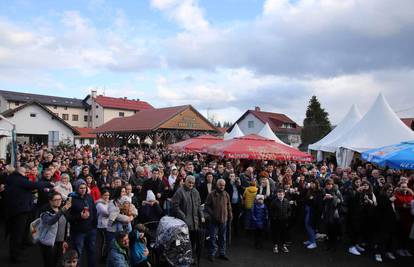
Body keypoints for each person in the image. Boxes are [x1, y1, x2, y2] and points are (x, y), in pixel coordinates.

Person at [4, 166, 53, 263]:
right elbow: (35, 185)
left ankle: (17, 252)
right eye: (25, 172)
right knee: (17, 234)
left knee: (17, 233)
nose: (27, 173)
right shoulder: (20, 180)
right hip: (20, 211)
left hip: (15, 210)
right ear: (20, 172)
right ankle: (15, 256)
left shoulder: (12, 179)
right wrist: (49, 183)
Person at [172, 175, 205, 263]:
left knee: (193, 242)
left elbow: (199, 205)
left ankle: (190, 258)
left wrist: (201, 216)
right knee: (183, 242)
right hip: (184, 223)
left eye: (192, 183)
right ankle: (182, 259)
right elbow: (175, 205)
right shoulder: (180, 191)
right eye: (189, 182)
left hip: (195, 223)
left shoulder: (195, 191)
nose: (191, 184)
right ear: (185, 182)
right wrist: (183, 216)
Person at [67, 179, 98, 267]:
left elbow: (94, 211)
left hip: (91, 230)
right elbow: (68, 217)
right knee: (78, 252)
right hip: (78, 231)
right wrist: (79, 216)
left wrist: (95, 226)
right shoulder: (71, 199)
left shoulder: (89, 197)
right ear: (77, 188)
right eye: (81, 188)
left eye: (84, 188)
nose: (83, 190)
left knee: (92, 251)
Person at [38, 191, 71, 267]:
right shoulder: (45, 212)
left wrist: (65, 240)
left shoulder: (61, 210)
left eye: (60, 199)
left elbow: (65, 225)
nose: (58, 201)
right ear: (50, 201)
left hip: (60, 242)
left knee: (57, 263)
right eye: (56, 200)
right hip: (49, 243)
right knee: (49, 264)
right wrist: (62, 210)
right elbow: (50, 221)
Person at [205, 179, 232, 262]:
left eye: (223, 185)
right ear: (217, 185)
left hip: (224, 220)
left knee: (223, 238)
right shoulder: (211, 194)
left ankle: (222, 253)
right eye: (220, 185)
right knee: (213, 238)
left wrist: (230, 215)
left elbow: (229, 206)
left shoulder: (226, 194)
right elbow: (207, 206)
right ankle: (212, 254)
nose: (222, 187)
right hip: (214, 221)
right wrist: (213, 214)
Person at [322, 178, 343, 251]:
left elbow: (341, 200)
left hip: (334, 212)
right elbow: (322, 202)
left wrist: (332, 197)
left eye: (330, 184)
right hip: (326, 212)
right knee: (328, 229)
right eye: (327, 184)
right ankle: (329, 245)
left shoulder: (336, 190)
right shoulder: (324, 190)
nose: (328, 186)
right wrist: (324, 198)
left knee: (333, 230)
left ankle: (333, 246)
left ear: (332, 184)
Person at [303, 180, 323, 249]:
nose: (311, 185)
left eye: (313, 183)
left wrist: (311, 199)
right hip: (308, 209)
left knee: (309, 225)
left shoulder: (319, 191)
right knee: (307, 225)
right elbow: (306, 199)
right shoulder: (309, 190)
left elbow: (317, 203)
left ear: (316, 184)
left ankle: (313, 242)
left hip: (314, 211)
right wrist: (310, 198)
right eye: (310, 183)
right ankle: (310, 240)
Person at [270, 189, 291, 254]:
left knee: (283, 233)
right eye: (279, 194)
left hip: (284, 221)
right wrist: (274, 217)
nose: (280, 196)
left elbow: (289, 210)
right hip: (276, 221)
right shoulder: (274, 202)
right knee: (275, 233)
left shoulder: (286, 201)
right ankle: (275, 245)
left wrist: (287, 216)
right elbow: (271, 210)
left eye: (281, 194)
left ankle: (283, 245)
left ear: (284, 195)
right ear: (277, 195)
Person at [96, 189, 111, 262]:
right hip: (102, 226)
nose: (107, 196)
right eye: (105, 195)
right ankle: (102, 257)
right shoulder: (99, 204)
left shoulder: (109, 202)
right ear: (102, 195)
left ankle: (106, 255)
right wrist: (113, 212)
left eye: (108, 195)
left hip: (108, 225)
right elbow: (106, 213)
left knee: (107, 241)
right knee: (104, 241)